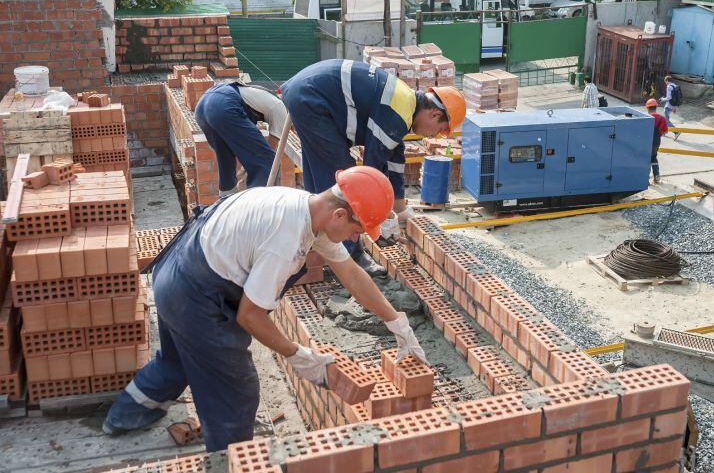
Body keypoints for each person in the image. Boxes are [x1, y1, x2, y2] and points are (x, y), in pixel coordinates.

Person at [102, 166, 427, 452]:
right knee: (236, 391)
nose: (355, 238)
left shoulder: (309, 209)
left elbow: (352, 275)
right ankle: (232, 460)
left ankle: (123, 417)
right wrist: (300, 356)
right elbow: (249, 315)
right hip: (194, 298)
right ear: (340, 215)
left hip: (177, 271)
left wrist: (396, 322)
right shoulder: (285, 240)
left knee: (177, 362)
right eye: (357, 231)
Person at [280, 59, 466, 275]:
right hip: (312, 98)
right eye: (439, 129)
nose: (433, 135)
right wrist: (382, 217)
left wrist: (400, 209)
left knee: (320, 175)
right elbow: (371, 169)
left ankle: (314, 242)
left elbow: (394, 162)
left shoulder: (404, 107)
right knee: (343, 178)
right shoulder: (398, 113)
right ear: (434, 114)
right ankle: (351, 256)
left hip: (307, 93)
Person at [194, 82, 287, 196]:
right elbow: (268, 152)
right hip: (225, 105)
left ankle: (226, 200)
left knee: (225, 157)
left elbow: (251, 152)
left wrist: (244, 171)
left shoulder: (266, 97)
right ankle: (256, 206)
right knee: (269, 161)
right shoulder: (281, 109)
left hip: (204, 104)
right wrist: (246, 180)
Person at [646, 98, 668, 184]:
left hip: (646, 142)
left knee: (646, 159)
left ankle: (645, 179)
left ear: (647, 108)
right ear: (656, 107)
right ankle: (657, 176)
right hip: (656, 142)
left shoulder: (646, 118)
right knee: (653, 157)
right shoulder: (662, 118)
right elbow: (665, 131)